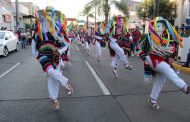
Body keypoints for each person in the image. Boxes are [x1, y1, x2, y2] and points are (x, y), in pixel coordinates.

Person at [138, 17, 190, 111]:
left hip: (161, 60)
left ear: (164, 27)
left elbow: (171, 52)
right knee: (168, 70)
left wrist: (170, 53)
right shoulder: (150, 37)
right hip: (152, 59)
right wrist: (145, 58)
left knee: (160, 80)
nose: (158, 28)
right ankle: (185, 87)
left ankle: (153, 99)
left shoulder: (168, 38)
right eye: (156, 26)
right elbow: (140, 50)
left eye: (160, 26)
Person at [32, 6, 73, 110]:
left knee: (52, 78)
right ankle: (65, 82)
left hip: (55, 55)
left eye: (51, 14)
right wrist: (35, 54)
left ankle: (54, 100)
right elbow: (34, 41)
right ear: (44, 15)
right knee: (50, 71)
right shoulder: (39, 27)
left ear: (54, 15)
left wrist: (59, 51)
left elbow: (66, 43)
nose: (49, 16)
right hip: (42, 54)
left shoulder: (58, 28)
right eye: (47, 14)